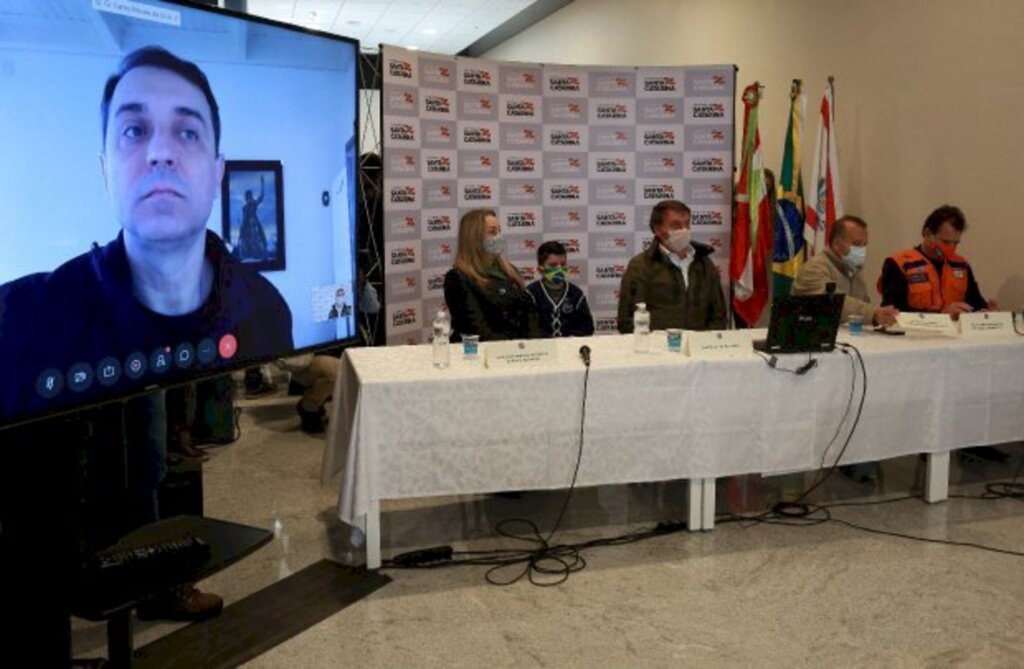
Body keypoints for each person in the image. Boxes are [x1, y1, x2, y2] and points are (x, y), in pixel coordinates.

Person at [0, 45, 293, 424]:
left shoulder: (267, 310)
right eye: (134, 131)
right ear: (105, 171)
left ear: (217, 173)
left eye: (187, 133)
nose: (160, 152)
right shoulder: (19, 323)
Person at [617, 200, 727, 332]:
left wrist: (705, 344)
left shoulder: (704, 263)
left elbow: (719, 315)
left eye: (687, 224)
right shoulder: (640, 266)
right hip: (658, 349)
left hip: (699, 348)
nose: (684, 230)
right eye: (676, 225)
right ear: (658, 230)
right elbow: (627, 320)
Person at [878, 204, 996, 317]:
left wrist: (986, 313)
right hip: (915, 335)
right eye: (945, 242)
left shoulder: (961, 265)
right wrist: (941, 316)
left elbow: (974, 304)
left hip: (955, 335)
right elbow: (893, 313)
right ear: (927, 234)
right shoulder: (899, 263)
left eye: (955, 243)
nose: (950, 247)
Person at [443, 209, 540, 341]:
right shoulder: (457, 278)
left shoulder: (510, 271)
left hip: (519, 353)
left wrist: (535, 346)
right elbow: (474, 328)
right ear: (474, 237)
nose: (498, 237)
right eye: (492, 232)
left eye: (499, 231)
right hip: (480, 353)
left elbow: (529, 315)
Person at [792, 215, 898, 327]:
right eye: (857, 244)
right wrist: (872, 313)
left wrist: (881, 316)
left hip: (845, 339)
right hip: (810, 338)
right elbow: (830, 303)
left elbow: (863, 306)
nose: (862, 250)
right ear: (837, 244)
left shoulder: (854, 272)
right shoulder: (814, 268)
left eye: (864, 245)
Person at [527, 240, 594, 338]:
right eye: (553, 265)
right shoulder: (531, 294)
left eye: (562, 264)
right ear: (540, 269)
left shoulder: (576, 294)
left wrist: (571, 339)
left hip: (570, 348)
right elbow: (527, 329)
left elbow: (588, 328)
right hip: (541, 350)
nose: (559, 269)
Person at [237, 175, 269, 261]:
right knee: (247, 239)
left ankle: (261, 252)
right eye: (247, 197)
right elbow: (244, 220)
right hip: (247, 225)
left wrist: (263, 184)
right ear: (246, 198)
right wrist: (241, 229)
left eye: (249, 197)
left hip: (255, 223)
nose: (248, 199)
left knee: (260, 236)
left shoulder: (254, 204)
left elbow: (261, 197)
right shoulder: (244, 208)